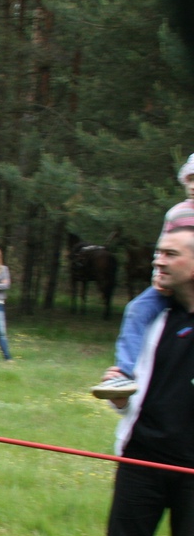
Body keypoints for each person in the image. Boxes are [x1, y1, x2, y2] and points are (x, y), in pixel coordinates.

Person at [95, 226, 194, 536]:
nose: (159, 261)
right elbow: (130, 391)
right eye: (157, 252)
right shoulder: (151, 315)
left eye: (170, 254)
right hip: (143, 458)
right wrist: (119, 393)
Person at [96, 153, 194, 399]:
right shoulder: (177, 214)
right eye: (190, 179)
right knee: (137, 309)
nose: (193, 186)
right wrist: (158, 277)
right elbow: (164, 248)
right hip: (173, 283)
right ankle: (124, 374)